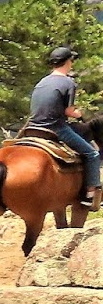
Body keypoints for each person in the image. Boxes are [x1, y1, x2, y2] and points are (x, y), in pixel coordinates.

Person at [28, 46, 100, 209]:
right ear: (68, 62)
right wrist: (79, 113)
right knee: (93, 154)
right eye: (71, 61)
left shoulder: (42, 82)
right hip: (56, 128)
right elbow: (68, 111)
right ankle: (90, 194)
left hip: (33, 127)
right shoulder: (68, 82)